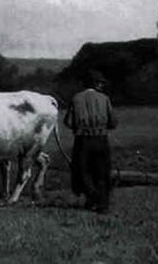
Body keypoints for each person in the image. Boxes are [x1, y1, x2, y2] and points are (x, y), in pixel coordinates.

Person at [64, 70, 118, 213]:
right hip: (101, 139)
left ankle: (92, 199)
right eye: (100, 83)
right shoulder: (104, 98)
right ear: (95, 84)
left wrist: (79, 125)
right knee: (101, 172)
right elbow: (113, 123)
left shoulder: (76, 98)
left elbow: (68, 122)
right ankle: (102, 204)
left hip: (82, 141)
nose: (102, 85)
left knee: (84, 172)